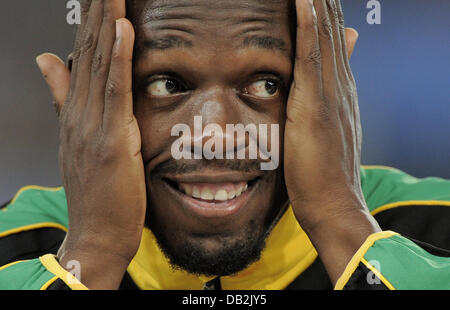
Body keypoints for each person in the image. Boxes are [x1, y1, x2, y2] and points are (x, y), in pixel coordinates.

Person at [0, 0, 449, 290]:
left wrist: (341, 221)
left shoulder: (435, 222)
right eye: (166, 84)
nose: (214, 136)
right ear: (86, 94)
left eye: (266, 84)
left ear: (332, 85)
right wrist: (94, 251)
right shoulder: (14, 240)